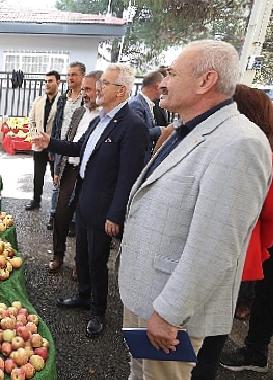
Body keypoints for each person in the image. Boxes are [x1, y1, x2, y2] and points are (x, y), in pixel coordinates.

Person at [117, 40, 272, 380]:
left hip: (170, 311)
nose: (162, 83)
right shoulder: (185, 130)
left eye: (171, 73)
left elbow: (216, 246)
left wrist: (170, 312)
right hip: (145, 294)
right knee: (139, 371)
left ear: (206, 81)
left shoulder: (240, 143)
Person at [33, 63, 148, 337]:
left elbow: (128, 177)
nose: (98, 88)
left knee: (98, 261)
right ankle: (84, 296)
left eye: (104, 84)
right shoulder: (100, 119)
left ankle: (98, 311)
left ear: (121, 91)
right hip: (84, 201)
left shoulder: (133, 126)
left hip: (103, 210)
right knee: (82, 255)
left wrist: (115, 214)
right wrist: (50, 141)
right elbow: (78, 148)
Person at [190, 85, 273, 378]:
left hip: (237, 252)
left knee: (210, 331)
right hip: (237, 251)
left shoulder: (252, 147)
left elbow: (264, 208)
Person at [48, 70, 100, 274]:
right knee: (61, 215)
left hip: (88, 174)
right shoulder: (80, 112)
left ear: (100, 89)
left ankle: (80, 265)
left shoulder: (103, 117)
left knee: (83, 221)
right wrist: (59, 168)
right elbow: (70, 141)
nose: (84, 94)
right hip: (70, 168)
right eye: (84, 89)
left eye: (88, 89)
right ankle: (58, 256)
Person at [46, 62, 85, 230]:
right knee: (57, 182)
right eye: (69, 75)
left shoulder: (86, 99)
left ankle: (72, 221)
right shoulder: (63, 99)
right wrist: (52, 147)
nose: (71, 78)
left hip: (77, 147)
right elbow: (56, 123)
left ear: (83, 76)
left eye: (74, 74)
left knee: (75, 185)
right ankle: (53, 215)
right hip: (61, 146)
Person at [25, 71, 61, 211]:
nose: (47, 84)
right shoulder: (38, 100)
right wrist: (35, 136)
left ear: (58, 82)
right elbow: (31, 121)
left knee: (56, 175)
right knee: (38, 175)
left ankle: (57, 207)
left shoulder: (63, 101)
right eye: (46, 81)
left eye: (50, 81)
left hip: (54, 145)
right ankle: (36, 200)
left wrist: (54, 142)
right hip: (39, 144)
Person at [129, 70, 165, 158]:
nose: (164, 90)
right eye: (163, 87)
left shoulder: (146, 103)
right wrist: (160, 130)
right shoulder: (136, 104)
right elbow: (137, 135)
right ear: (157, 86)